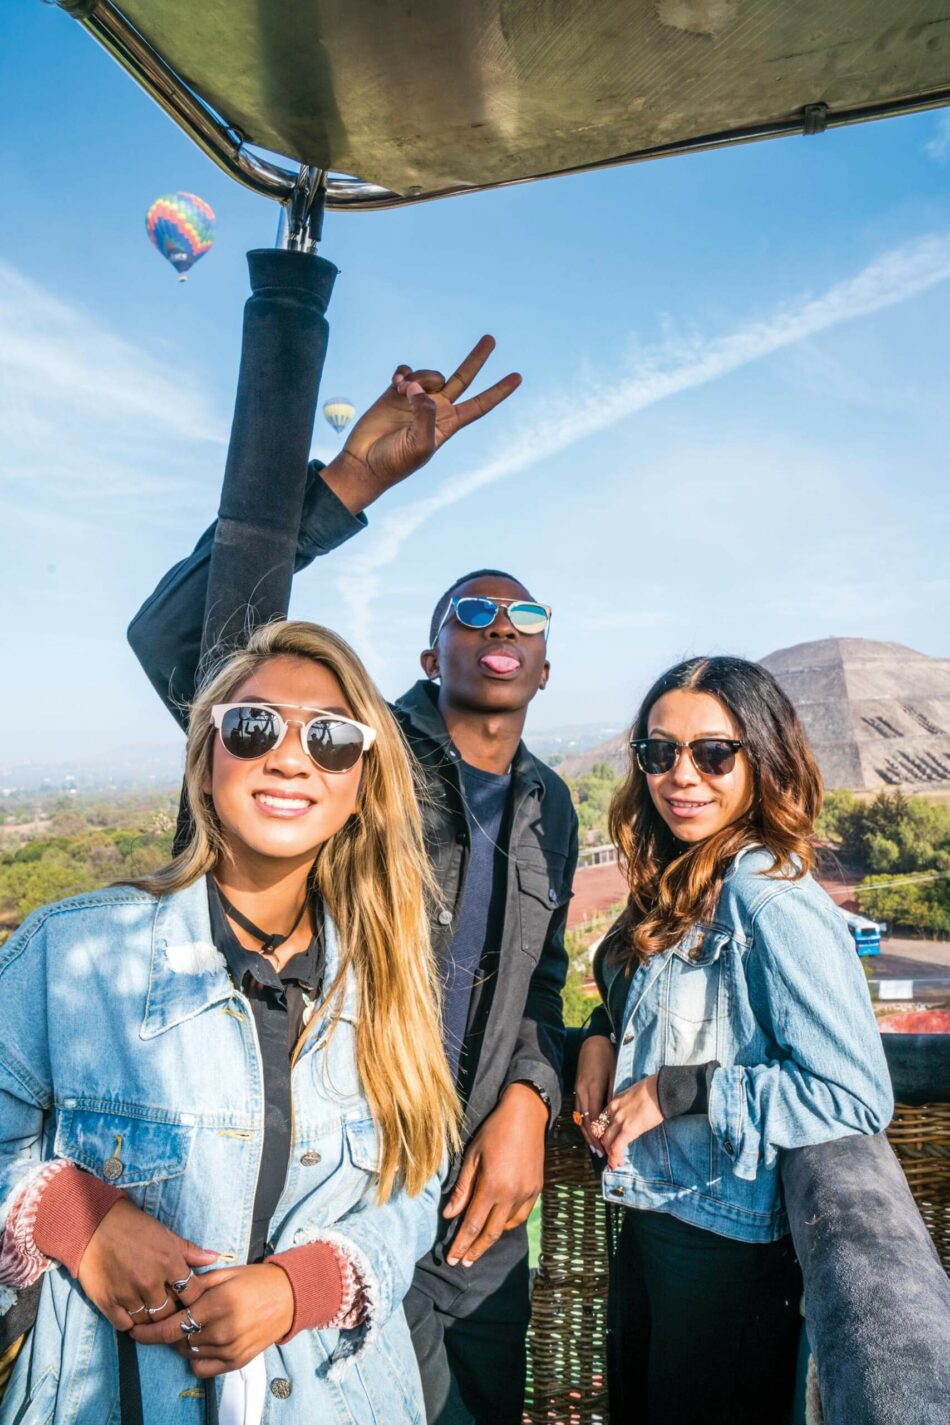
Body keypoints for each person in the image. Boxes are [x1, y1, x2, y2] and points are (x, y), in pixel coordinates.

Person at [128, 338, 579, 1425]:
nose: (500, 628)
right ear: (431, 658)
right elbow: (175, 638)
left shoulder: (550, 807)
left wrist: (530, 1096)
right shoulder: (352, 757)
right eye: (470, 613)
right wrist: (346, 487)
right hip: (336, 1193)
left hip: (474, 1211)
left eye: (524, 617)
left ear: (547, 665)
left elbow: (542, 981)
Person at [0, 620, 459, 1424]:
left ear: (359, 784)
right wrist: (70, 1216)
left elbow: (414, 1182)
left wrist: (300, 1288)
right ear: (207, 763)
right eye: (253, 727)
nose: (289, 756)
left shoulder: (386, 974)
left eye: (329, 738)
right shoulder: (70, 950)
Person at [573, 656, 893, 1425]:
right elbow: (643, 1004)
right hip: (658, 1218)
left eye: (714, 752)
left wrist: (677, 1088)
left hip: (724, 1253)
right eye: (660, 752)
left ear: (763, 757)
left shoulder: (765, 894)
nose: (682, 775)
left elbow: (854, 1093)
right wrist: (597, 1036)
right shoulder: (686, 873)